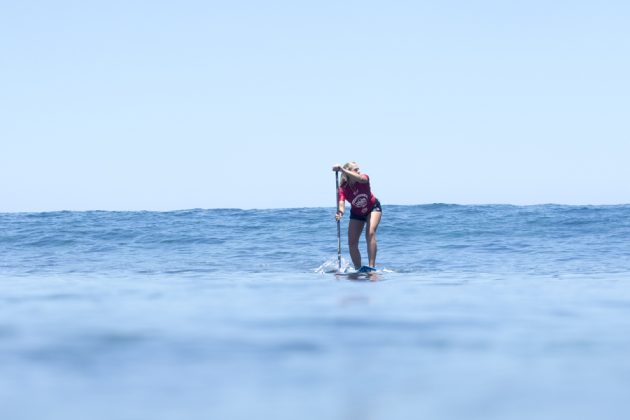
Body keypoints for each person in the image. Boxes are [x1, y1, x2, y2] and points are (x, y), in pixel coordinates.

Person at [332, 161, 382, 270]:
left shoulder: (364, 178)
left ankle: (371, 267)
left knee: (370, 233)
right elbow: (341, 204)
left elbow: (360, 179)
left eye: (358, 169)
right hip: (356, 213)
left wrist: (342, 170)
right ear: (349, 173)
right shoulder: (343, 188)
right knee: (352, 242)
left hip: (373, 208)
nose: (359, 171)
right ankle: (358, 269)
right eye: (356, 170)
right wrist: (340, 213)